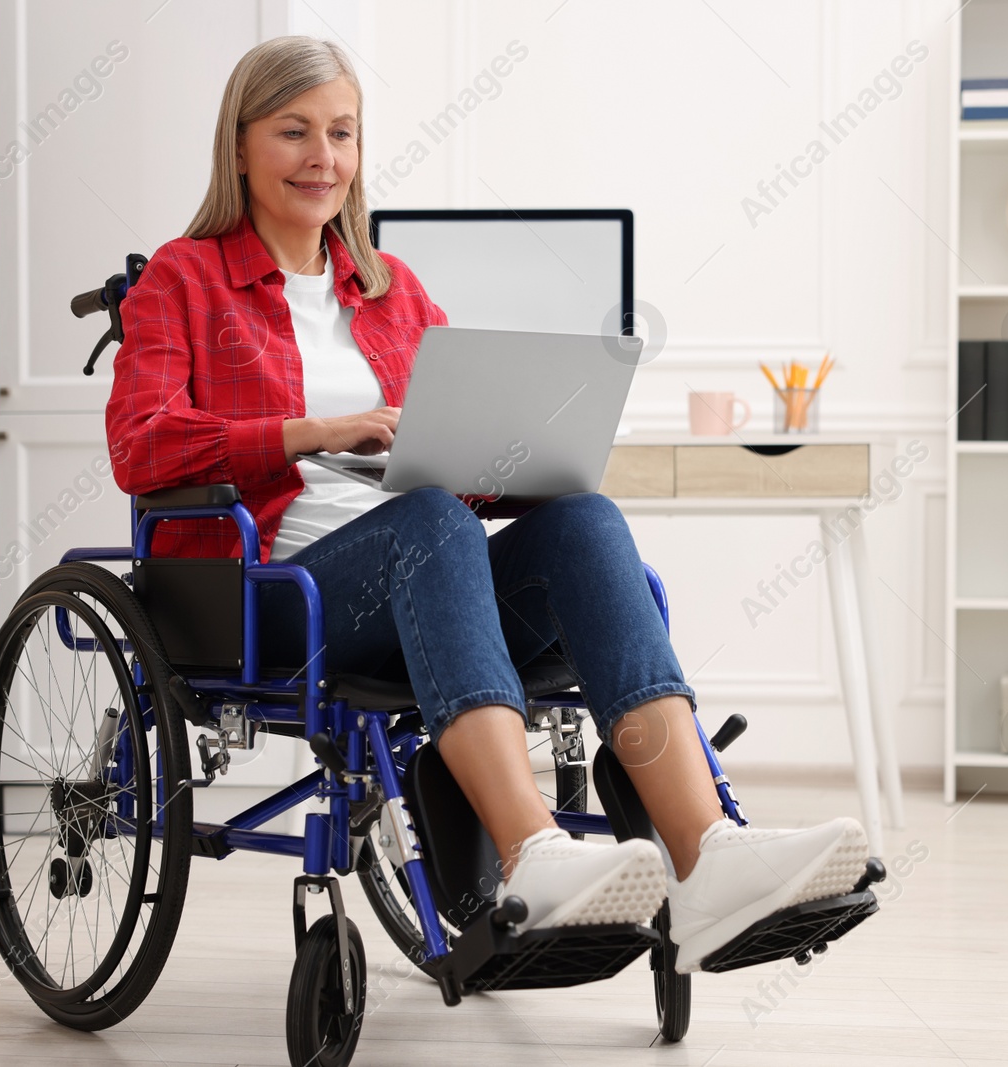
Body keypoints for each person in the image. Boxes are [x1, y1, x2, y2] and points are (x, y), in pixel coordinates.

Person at [105, 35, 868, 972]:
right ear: (239, 148)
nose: (324, 157)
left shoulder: (392, 291)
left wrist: (518, 451)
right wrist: (317, 430)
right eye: (294, 132)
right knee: (430, 522)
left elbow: (451, 462)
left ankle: (707, 855)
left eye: (341, 133)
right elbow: (141, 446)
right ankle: (531, 853)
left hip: (426, 578)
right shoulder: (184, 280)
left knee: (579, 518)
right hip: (282, 597)